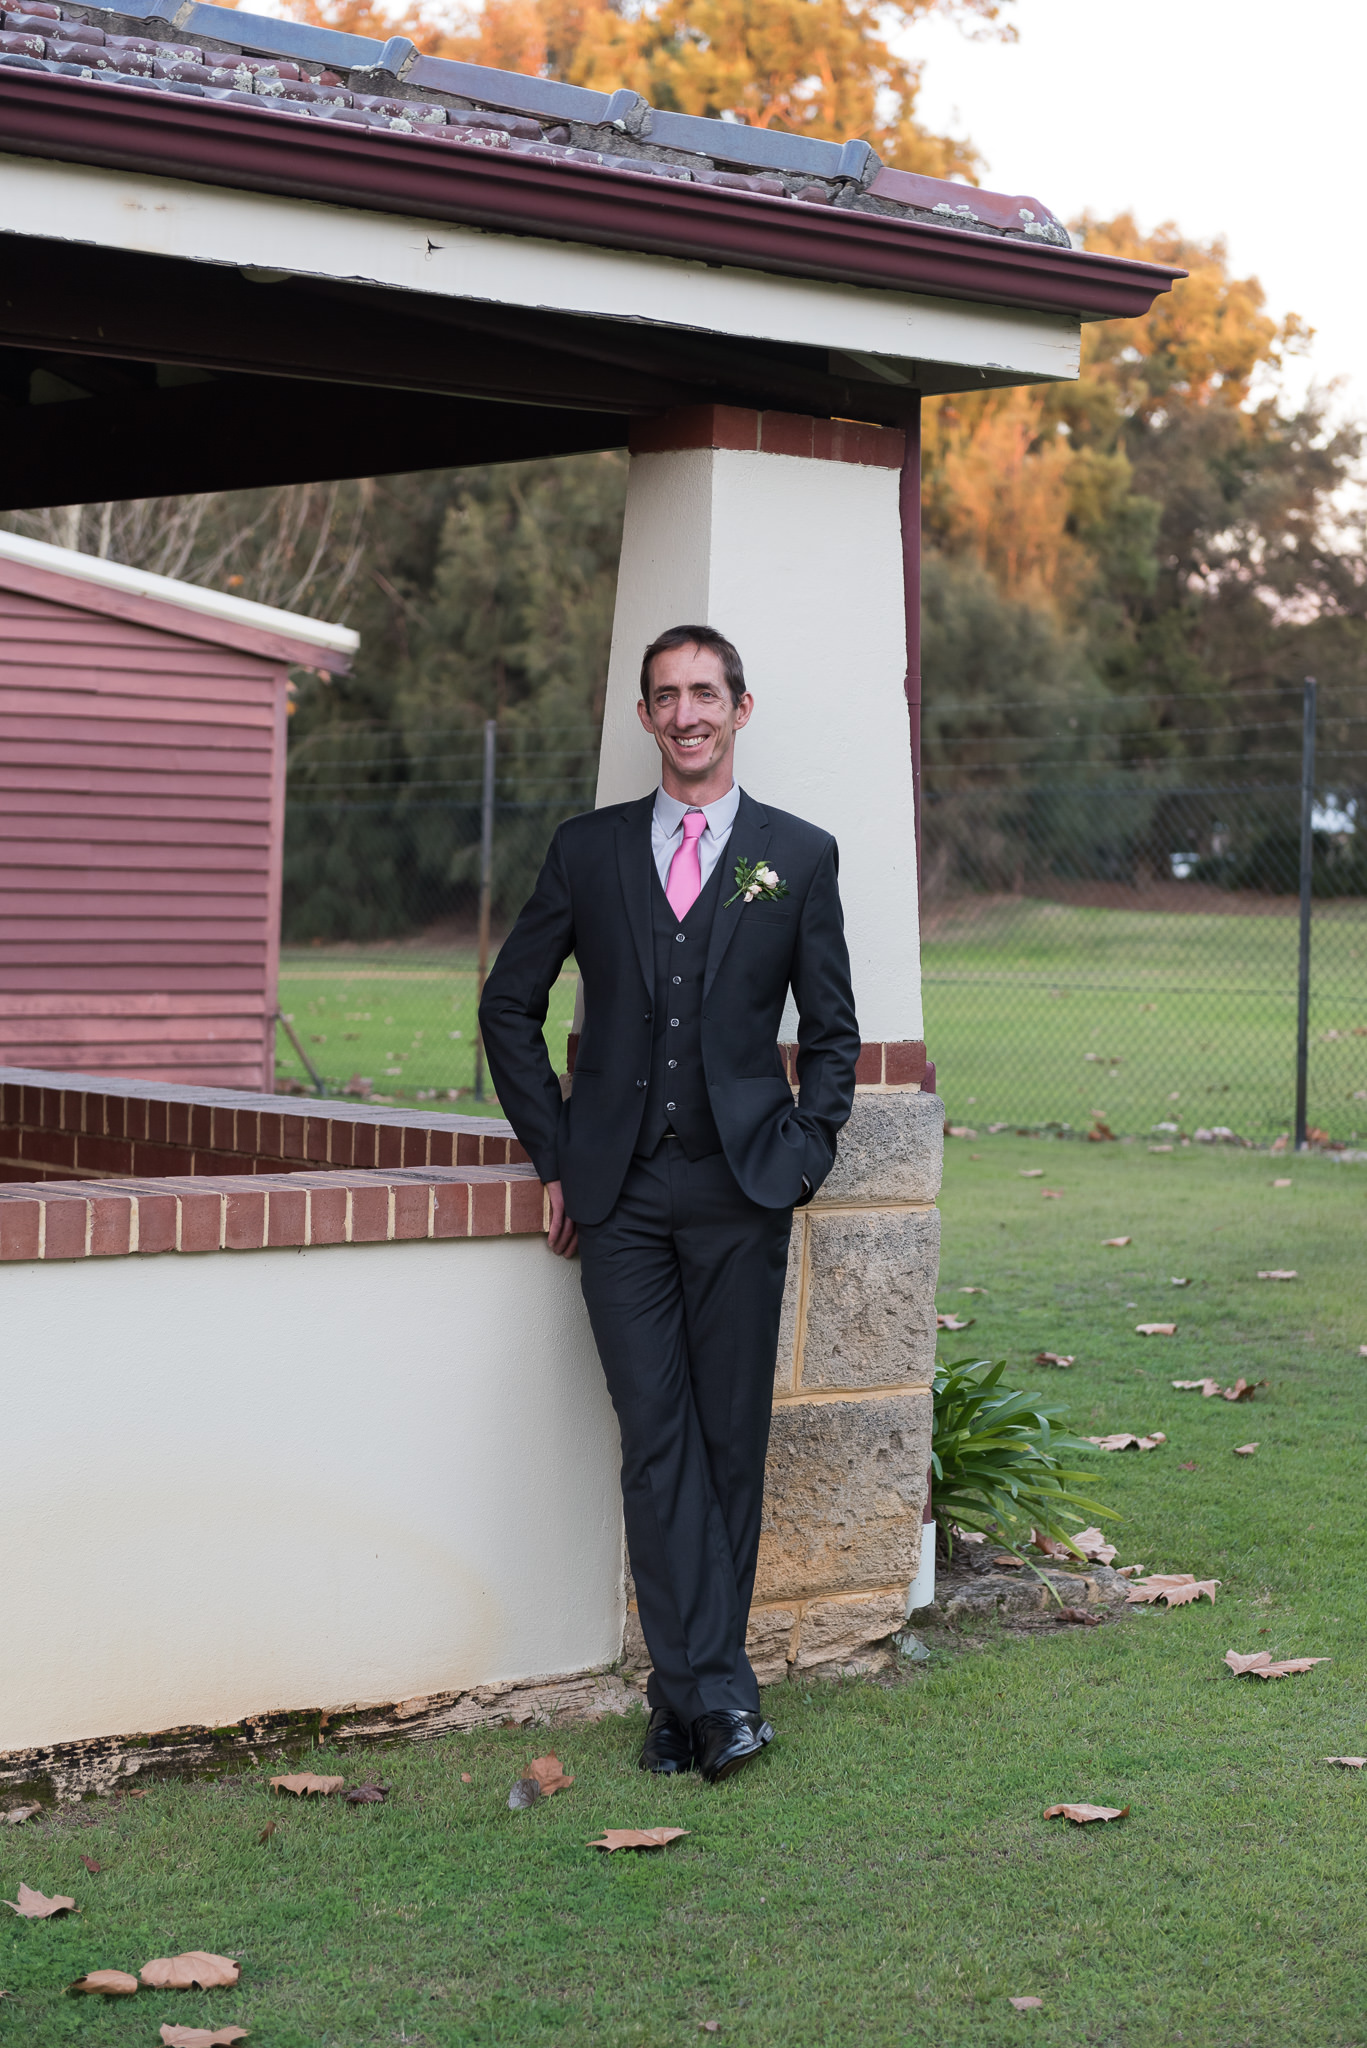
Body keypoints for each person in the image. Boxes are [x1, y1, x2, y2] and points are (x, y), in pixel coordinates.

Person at [478, 624, 860, 1783]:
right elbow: (508, 1005)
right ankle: (717, 1698)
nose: (685, 713)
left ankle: (679, 1696)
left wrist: (802, 1151)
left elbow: (832, 1034)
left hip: (742, 1188)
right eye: (665, 696)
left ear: (740, 708)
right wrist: (558, 1154)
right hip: (623, 1198)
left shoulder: (797, 855)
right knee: (656, 1442)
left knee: (726, 1444)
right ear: (645, 718)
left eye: (704, 693)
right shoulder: (586, 852)